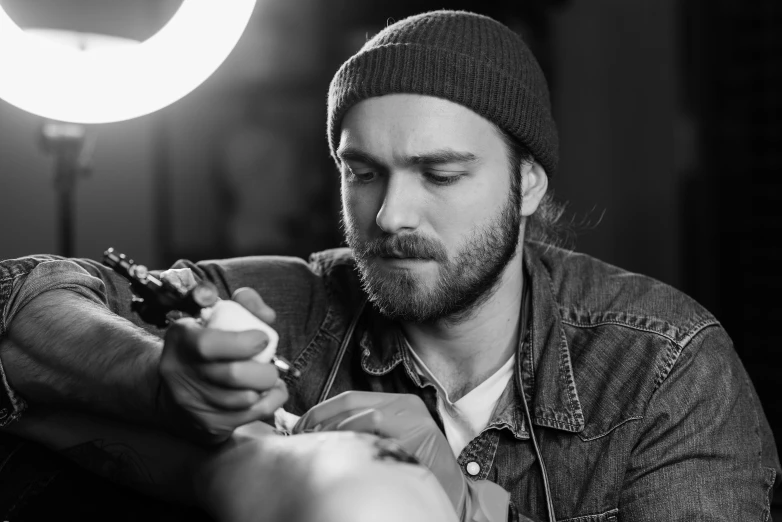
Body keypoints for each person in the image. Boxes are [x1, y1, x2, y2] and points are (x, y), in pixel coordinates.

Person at [0, 9, 778, 522]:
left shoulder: (663, 367)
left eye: (440, 175)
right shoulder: (290, 301)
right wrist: (153, 380)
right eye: (362, 172)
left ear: (528, 183)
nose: (391, 216)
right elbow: (17, 297)